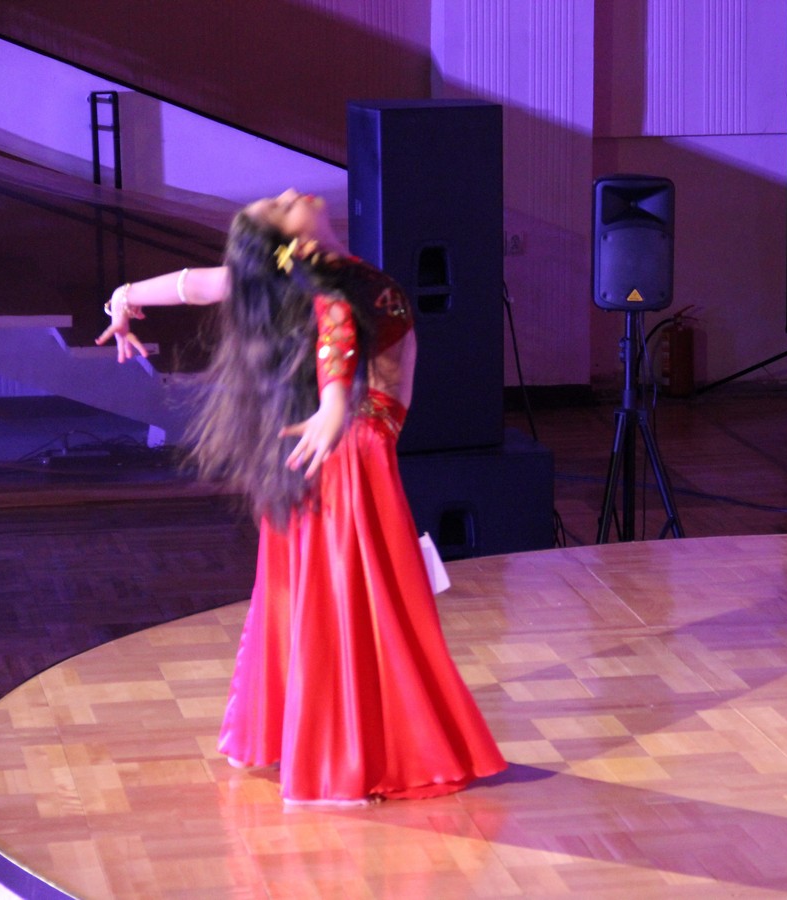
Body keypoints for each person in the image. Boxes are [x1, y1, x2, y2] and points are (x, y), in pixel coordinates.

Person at [97, 189, 506, 806]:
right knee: (351, 601)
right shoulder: (331, 281)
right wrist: (336, 403)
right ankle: (349, 754)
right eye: (281, 207)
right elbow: (335, 335)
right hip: (347, 446)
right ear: (294, 241)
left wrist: (125, 297)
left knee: (329, 597)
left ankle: (324, 737)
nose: (290, 194)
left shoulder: (295, 272)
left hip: (328, 446)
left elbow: (202, 285)